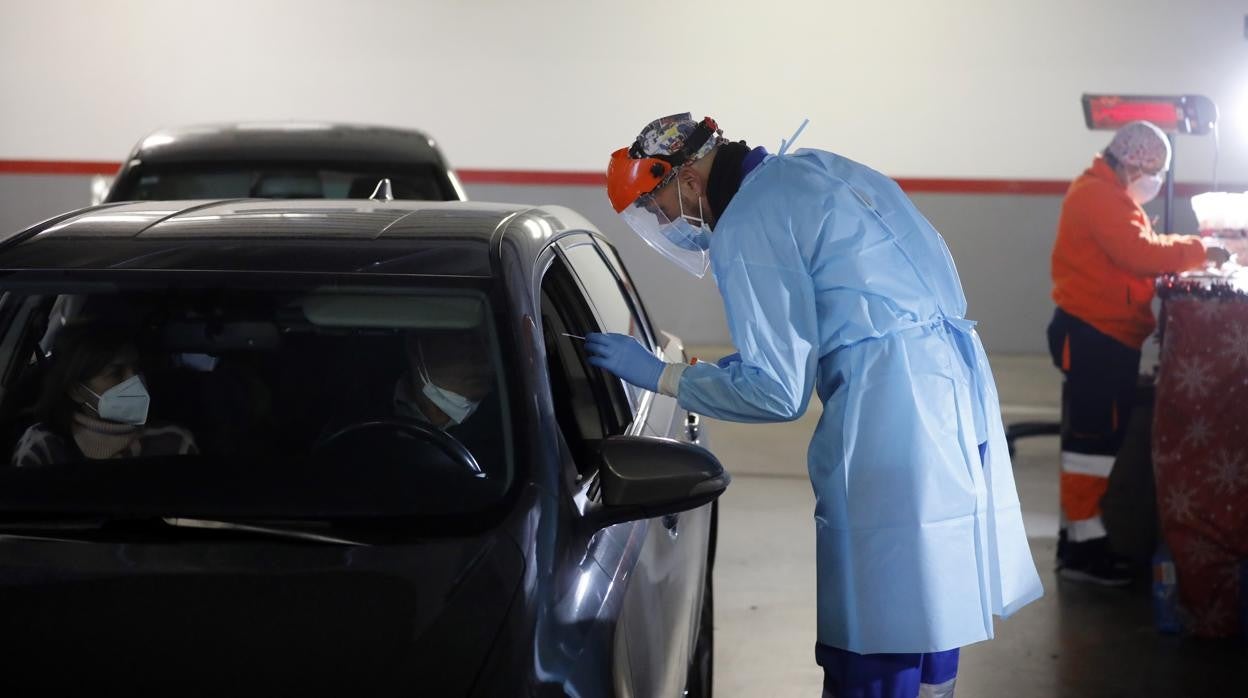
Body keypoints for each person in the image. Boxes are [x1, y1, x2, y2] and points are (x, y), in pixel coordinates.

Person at [587, 113, 1043, 697]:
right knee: (928, 597)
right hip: (948, 388)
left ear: (688, 180)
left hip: (890, 412)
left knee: (878, 616)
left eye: (659, 205)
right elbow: (849, 304)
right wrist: (733, 365)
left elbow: (777, 393)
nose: (667, 222)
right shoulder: (811, 171)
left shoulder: (747, 225)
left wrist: (664, 376)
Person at [1047, 120, 1229, 586]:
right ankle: (1084, 551)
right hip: (1094, 336)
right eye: (1156, 172)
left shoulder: (1109, 194)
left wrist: (1191, 250)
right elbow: (1139, 253)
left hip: (1106, 334)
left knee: (1098, 442)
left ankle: (1083, 539)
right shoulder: (1099, 196)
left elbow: (1139, 247)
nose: (1157, 182)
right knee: (1091, 445)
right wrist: (1202, 251)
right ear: (1136, 163)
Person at [12, 323, 197, 467]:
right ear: (76, 390)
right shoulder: (43, 447)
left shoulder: (173, 441)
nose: (134, 380)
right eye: (116, 373)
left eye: (137, 369)